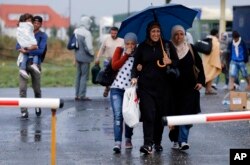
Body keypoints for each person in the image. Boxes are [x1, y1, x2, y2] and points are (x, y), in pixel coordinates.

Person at [131, 21, 178, 154]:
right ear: (149, 32)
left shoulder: (167, 45)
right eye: (153, 31)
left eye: (158, 31)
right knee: (148, 114)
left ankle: (157, 142)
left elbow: (177, 62)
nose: (156, 34)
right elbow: (136, 65)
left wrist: (171, 62)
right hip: (146, 87)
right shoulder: (142, 47)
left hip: (164, 88)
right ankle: (147, 144)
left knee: (159, 116)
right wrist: (134, 76)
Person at [168, 25, 205, 150]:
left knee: (186, 114)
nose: (179, 37)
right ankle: (174, 139)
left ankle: (183, 140)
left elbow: (199, 65)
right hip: (173, 89)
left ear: (185, 35)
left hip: (190, 88)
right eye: (176, 34)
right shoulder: (168, 50)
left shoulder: (190, 48)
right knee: (175, 115)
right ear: (172, 36)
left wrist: (201, 81)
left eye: (181, 34)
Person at [110, 32, 138, 153]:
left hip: (130, 90)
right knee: (118, 115)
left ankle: (128, 139)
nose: (130, 46)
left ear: (136, 44)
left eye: (132, 44)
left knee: (128, 114)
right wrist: (125, 55)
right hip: (116, 88)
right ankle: (117, 142)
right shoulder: (119, 50)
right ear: (124, 43)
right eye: (128, 43)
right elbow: (114, 66)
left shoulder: (138, 54)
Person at [16, 15, 48, 118]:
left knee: (37, 89)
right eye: (34, 22)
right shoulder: (25, 32)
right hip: (23, 64)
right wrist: (24, 49)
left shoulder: (43, 35)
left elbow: (41, 50)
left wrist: (27, 50)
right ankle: (24, 111)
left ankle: (38, 106)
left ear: (41, 24)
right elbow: (17, 46)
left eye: (38, 23)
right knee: (22, 89)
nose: (36, 24)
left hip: (35, 64)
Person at [95, 27, 124, 97]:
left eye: (115, 33)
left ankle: (115, 90)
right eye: (112, 33)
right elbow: (101, 49)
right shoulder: (107, 39)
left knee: (116, 76)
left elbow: (124, 51)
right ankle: (107, 87)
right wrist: (97, 58)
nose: (113, 35)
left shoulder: (122, 40)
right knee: (107, 76)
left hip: (117, 60)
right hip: (108, 60)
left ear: (118, 33)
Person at [73, 16, 94, 101]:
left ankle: (77, 94)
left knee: (78, 75)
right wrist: (93, 54)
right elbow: (89, 47)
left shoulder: (76, 31)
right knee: (84, 76)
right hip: (85, 58)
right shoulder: (87, 33)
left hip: (77, 56)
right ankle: (82, 95)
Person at [16, 13, 40, 79]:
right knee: (23, 87)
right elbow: (17, 46)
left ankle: (34, 64)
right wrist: (25, 49)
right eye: (28, 20)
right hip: (24, 58)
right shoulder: (23, 30)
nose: (30, 22)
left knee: (35, 49)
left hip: (31, 57)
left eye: (30, 20)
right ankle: (23, 68)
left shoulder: (31, 30)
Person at [202, 29, 221, 94]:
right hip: (212, 61)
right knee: (210, 76)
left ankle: (207, 90)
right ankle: (209, 89)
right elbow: (216, 52)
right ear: (216, 34)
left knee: (207, 75)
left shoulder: (206, 39)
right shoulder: (215, 41)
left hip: (205, 61)